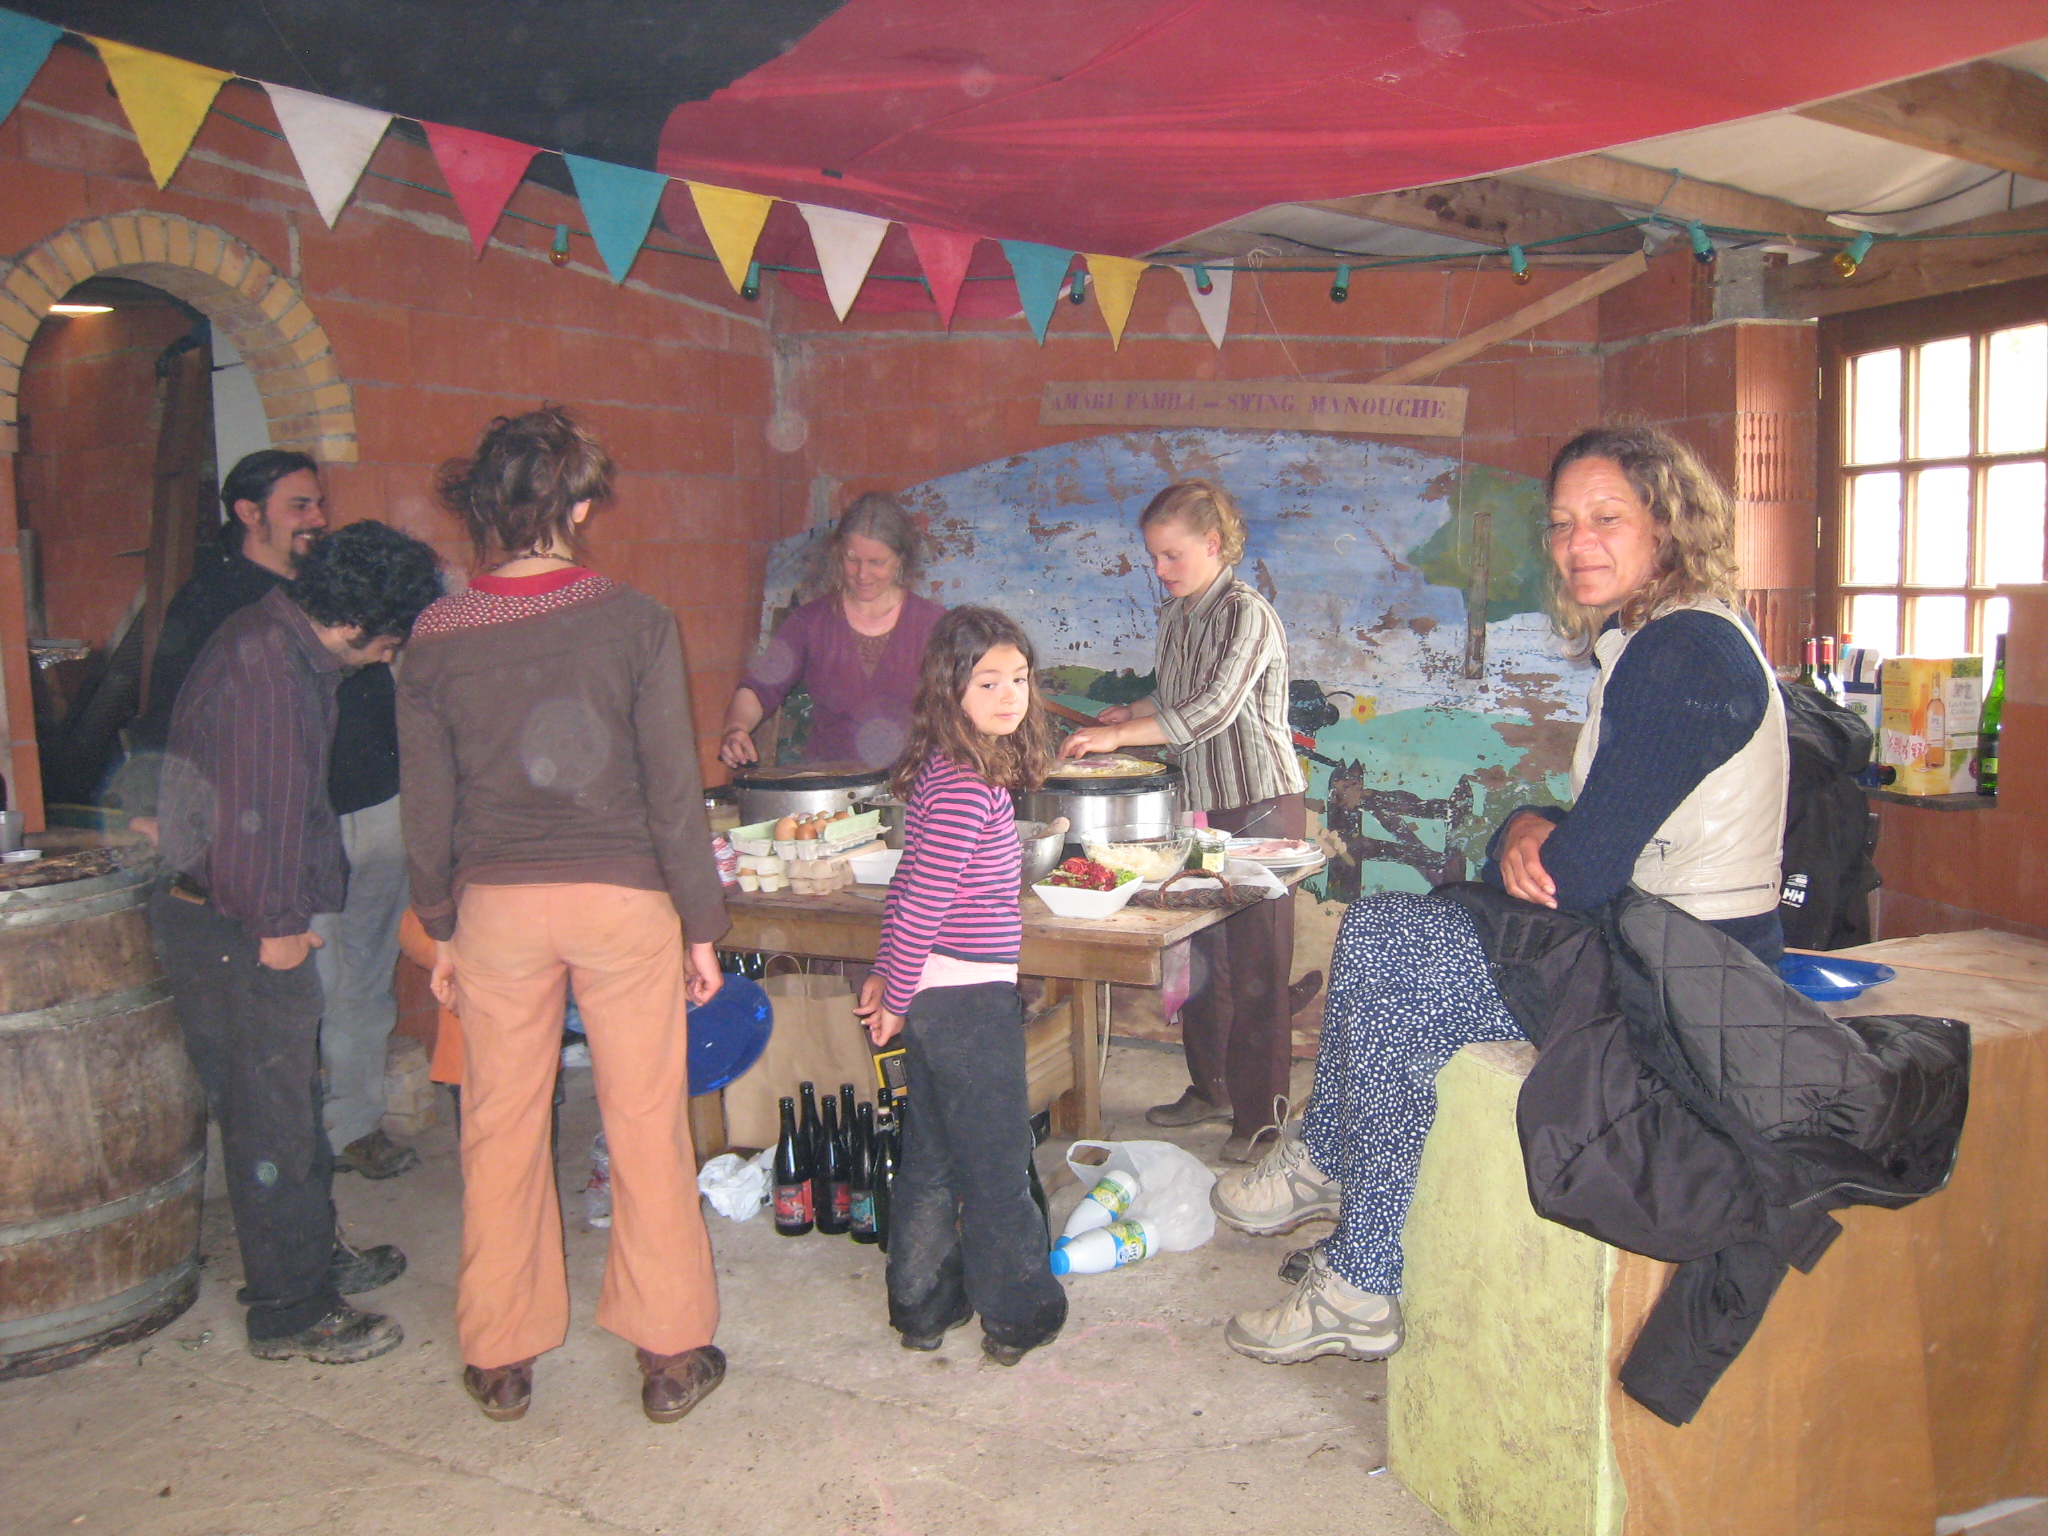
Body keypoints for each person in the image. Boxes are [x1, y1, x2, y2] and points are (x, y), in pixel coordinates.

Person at [1212, 424, 1788, 1366]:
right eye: (1562, 523)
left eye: (1607, 518)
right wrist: (1530, 822)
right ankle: (1330, 1168)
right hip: (1664, 947)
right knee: (1390, 928)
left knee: (1399, 956)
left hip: (1691, 984)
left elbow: (1578, 872)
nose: (1576, 543)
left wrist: (1524, 830)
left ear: (1668, 523)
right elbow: (1597, 829)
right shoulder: (1663, 637)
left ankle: (1358, 1266)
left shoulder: (1682, 655)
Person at [397, 406, 729, 1426]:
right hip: (623, 900)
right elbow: (673, 793)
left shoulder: (437, 635)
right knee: (645, 1126)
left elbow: (427, 803)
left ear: (485, 508)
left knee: (499, 1129)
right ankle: (669, 1356)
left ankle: (500, 1358)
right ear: (579, 508)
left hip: (496, 908)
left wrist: (440, 925)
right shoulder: (635, 619)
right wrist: (700, 925)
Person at [150, 520, 442, 1364]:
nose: (388, 655)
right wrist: (279, 929)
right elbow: (260, 817)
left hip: (236, 915)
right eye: (389, 639)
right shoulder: (269, 671)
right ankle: (291, 1308)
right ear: (356, 620)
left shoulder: (281, 647)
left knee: (290, 1107)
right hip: (237, 927)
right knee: (270, 1122)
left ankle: (315, 1256)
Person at [129, 449, 421, 1182]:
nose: (317, 518)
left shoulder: (347, 586)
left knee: (367, 977)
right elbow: (170, 716)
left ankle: (354, 1122)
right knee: (301, 982)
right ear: (248, 513)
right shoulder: (218, 605)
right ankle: (299, 1143)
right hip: (289, 828)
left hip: (377, 808)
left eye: (319, 503)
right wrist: (154, 810)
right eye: (299, 506)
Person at [1059, 479, 1306, 1163]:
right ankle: (1213, 1088)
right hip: (1199, 811)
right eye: (1154, 557)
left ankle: (1261, 1118)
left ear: (1214, 543)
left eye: (1172, 555)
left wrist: (1120, 737)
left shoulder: (1247, 613)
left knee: (1257, 967)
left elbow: (1212, 710)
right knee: (1199, 957)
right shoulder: (1177, 614)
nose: (1160, 569)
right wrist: (1130, 713)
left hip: (1259, 807)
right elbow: (1173, 695)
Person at [854, 606, 1068, 1366]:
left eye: (1019, 679)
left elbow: (908, 888)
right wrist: (895, 996)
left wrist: (888, 976)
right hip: (967, 1006)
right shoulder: (969, 788)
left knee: (933, 1155)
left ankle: (922, 1305)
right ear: (952, 690)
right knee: (997, 1164)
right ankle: (1017, 1316)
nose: (1010, 696)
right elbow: (920, 902)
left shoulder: (947, 774)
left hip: (935, 1000)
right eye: (988, 682)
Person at [719, 493, 945, 771]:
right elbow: (759, 688)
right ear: (839, 552)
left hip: (917, 782)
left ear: (900, 559)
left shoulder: (933, 624)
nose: (862, 574)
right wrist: (736, 729)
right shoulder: (810, 622)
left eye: (877, 562)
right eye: (852, 559)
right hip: (831, 783)